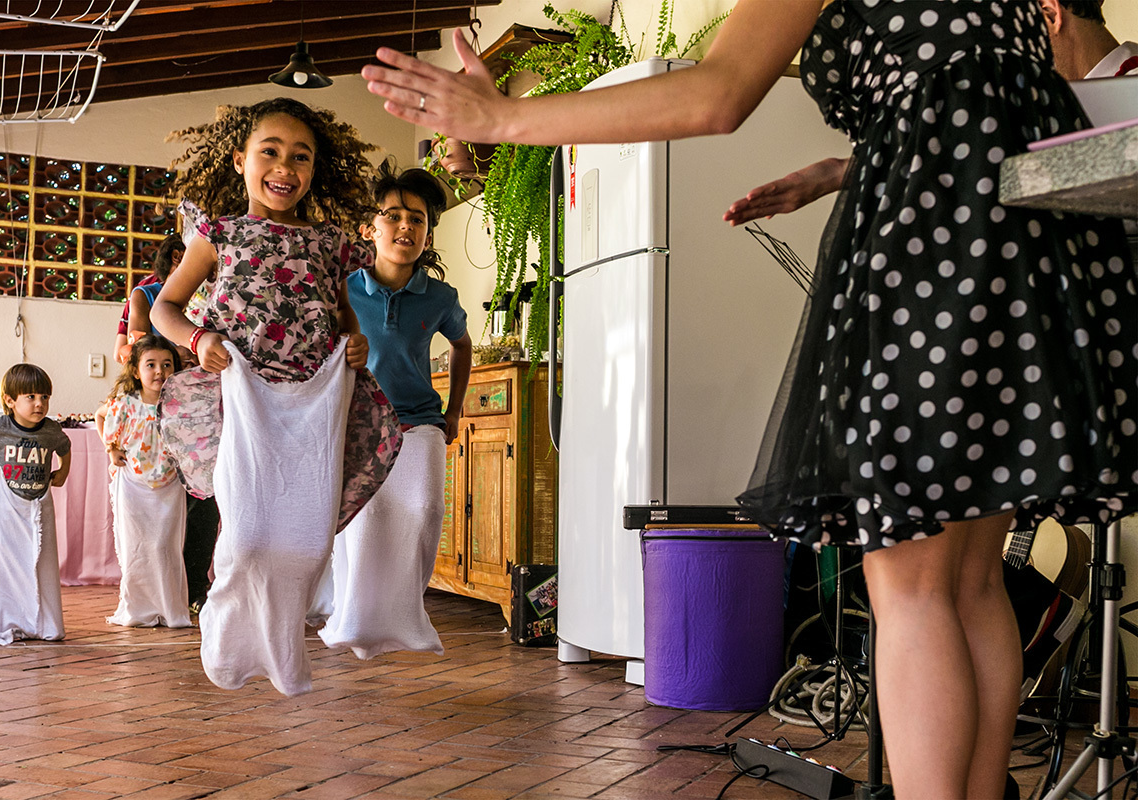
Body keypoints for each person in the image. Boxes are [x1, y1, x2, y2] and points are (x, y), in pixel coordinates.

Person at [362, 2, 1138, 798]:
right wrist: (849, 167)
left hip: (931, 242)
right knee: (971, 580)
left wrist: (501, 116)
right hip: (1027, 241)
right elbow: (977, 98)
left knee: (911, 585)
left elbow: (716, 94)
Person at [150, 97, 402, 696]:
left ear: (315, 170)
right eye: (270, 152)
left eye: (300, 157)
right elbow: (164, 306)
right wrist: (197, 334)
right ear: (240, 161)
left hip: (316, 402)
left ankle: (283, 644)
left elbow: (345, 321)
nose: (284, 167)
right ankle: (227, 621)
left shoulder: (329, 243)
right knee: (251, 534)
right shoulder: (219, 234)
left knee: (308, 540)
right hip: (244, 397)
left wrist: (357, 343)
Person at [725, 0, 1136, 228]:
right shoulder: (1039, 107)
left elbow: (1027, 171)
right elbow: (979, 164)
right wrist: (842, 172)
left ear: (1048, 14)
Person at [313, 161, 472, 659]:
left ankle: (404, 615)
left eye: (418, 219)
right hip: (355, 422)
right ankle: (352, 618)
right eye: (394, 215)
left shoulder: (441, 296)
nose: (406, 226)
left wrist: (455, 411)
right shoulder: (341, 286)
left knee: (424, 510)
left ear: (427, 234)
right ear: (369, 229)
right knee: (361, 519)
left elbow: (463, 347)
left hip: (420, 420)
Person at [0, 364, 71, 645]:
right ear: (10, 400)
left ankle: (45, 622)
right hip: (7, 507)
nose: (40, 403)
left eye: (44, 397)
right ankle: (11, 619)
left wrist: (63, 471)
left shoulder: (50, 430)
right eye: (31, 397)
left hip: (38, 504)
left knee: (41, 560)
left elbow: (64, 447)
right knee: (9, 561)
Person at [95, 334, 191, 629]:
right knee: (136, 546)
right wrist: (110, 448)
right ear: (136, 370)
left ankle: (169, 608)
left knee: (165, 546)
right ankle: (138, 608)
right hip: (133, 486)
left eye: (166, 365)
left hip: (169, 485)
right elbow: (100, 417)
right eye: (151, 365)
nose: (159, 372)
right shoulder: (125, 404)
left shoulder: (179, 404)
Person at [113, 234, 184, 364]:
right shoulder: (144, 293)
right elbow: (128, 353)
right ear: (177, 256)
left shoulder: (210, 291)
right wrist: (176, 354)